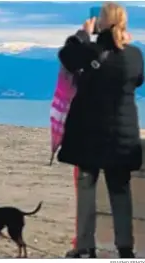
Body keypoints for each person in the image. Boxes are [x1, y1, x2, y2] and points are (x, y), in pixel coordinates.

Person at [57, 2, 144, 258]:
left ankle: (85, 248)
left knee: (86, 189)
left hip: (89, 135)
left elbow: (66, 56)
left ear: (100, 22)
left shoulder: (89, 51)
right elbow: (138, 79)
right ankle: (125, 249)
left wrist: (83, 34)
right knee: (120, 191)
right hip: (123, 136)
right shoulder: (135, 55)